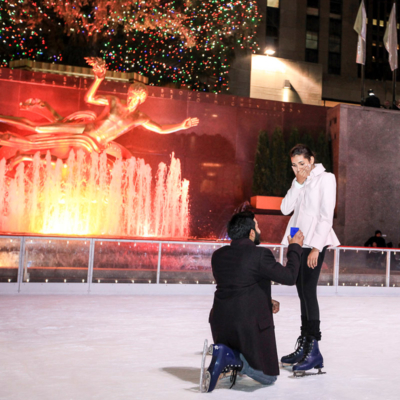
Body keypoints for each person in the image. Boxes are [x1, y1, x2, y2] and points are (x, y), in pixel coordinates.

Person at [0, 57, 199, 169]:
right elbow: (89, 99)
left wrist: (182, 125)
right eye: (129, 95)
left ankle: (22, 157)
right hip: (84, 130)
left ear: (141, 100)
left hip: (95, 144)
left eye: (133, 98)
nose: (129, 99)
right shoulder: (114, 101)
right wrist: (98, 79)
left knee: (66, 165)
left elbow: (161, 129)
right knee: (37, 128)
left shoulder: (140, 118)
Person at [201, 211, 304, 392]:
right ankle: (232, 359)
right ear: (250, 233)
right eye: (257, 226)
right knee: (269, 377)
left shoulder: (218, 256)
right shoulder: (259, 255)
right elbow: (289, 277)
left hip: (221, 323)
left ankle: (226, 357)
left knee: (244, 357)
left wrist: (265, 299)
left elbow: (238, 284)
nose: (259, 229)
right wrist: (295, 247)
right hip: (246, 325)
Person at [280, 144, 340, 376]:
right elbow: (286, 209)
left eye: (302, 164)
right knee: (301, 293)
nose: (298, 169)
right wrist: (298, 182)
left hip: (314, 243)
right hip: (297, 242)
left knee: (309, 292)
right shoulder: (300, 181)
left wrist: (316, 247)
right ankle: (305, 344)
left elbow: (326, 216)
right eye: (294, 165)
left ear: (312, 160)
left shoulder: (326, 179)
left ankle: (313, 349)